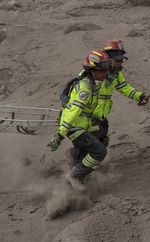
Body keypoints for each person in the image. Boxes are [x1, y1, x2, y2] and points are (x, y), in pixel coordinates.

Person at [66, 39, 149, 168]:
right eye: (116, 60)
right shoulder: (93, 73)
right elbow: (76, 94)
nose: (119, 63)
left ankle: (80, 162)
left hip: (102, 115)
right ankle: (78, 169)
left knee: (102, 140)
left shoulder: (116, 74)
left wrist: (139, 96)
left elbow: (124, 88)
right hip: (89, 116)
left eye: (121, 60)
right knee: (90, 143)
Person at [47, 50, 112, 192]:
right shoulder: (86, 89)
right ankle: (74, 176)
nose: (106, 73)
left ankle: (68, 192)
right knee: (99, 151)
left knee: (82, 159)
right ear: (93, 71)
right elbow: (72, 113)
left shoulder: (91, 83)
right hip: (75, 127)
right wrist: (59, 135)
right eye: (103, 70)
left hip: (82, 126)